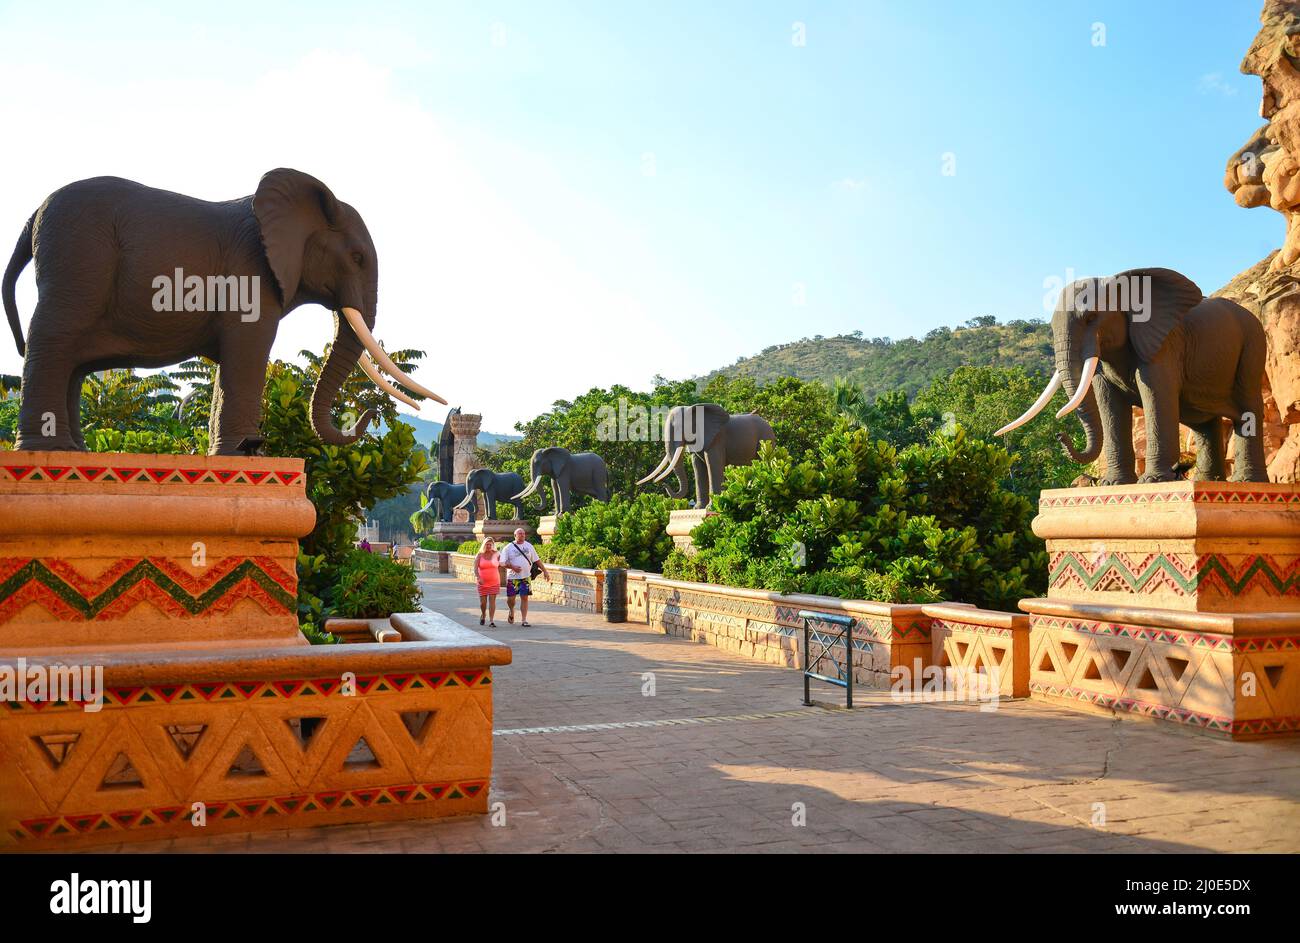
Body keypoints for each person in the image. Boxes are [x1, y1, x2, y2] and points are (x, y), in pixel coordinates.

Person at [500, 527, 549, 626]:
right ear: (515, 536)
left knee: (525, 598)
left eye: (523, 534)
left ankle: (524, 620)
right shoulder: (508, 547)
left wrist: (545, 571)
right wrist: (512, 567)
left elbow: (537, 560)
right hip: (512, 578)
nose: (522, 535)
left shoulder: (529, 546)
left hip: (526, 577)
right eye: (520, 534)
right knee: (511, 599)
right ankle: (511, 610)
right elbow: (502, 563)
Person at [474, 538, 501, 626]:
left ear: (493, 545)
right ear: (484, 545)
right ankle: (483, 614)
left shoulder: (497, 554)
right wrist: (478, 578)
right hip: (482, 582)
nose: (489, 546)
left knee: (492, 601)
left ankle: (491, 620)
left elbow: (503, 563)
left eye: (490, 544)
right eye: (487, 544)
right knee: (483, 603)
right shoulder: (479, 555)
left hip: (495, 581)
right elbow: (475, 569)